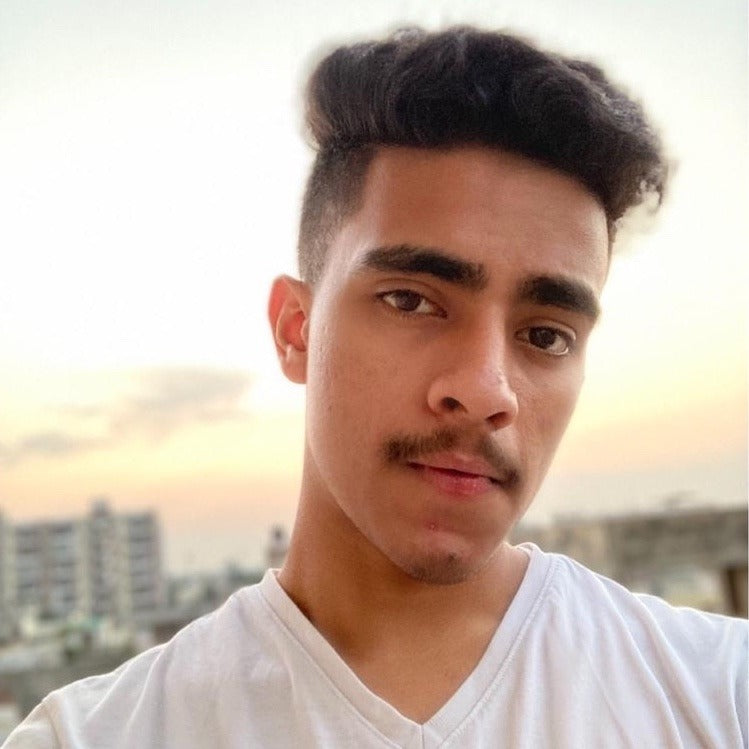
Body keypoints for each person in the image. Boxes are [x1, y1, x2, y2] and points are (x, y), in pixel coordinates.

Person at [5, 26, 746, 749]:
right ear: (297, 330)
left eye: (546, 335)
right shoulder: (93, 735)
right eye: (411, 300)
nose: (487, 390)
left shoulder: (721, 694)